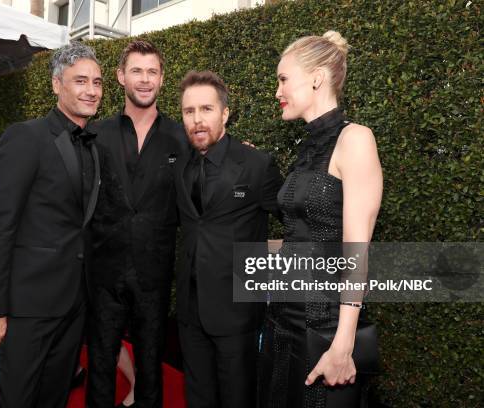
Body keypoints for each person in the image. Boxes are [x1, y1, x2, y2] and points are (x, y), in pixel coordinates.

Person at [0, 42, 103, 408]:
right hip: (27, 305)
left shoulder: (93, 145)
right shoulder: (25, 137)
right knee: (17, 398)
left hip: (74, 301)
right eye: (80, 80)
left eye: (97, 81)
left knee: (54, 396)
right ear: (56, 84)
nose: (91, 90)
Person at [258, 31, 383, 407]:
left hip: (325, 326)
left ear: (316, 77)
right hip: (283, 319)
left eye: (283, 79)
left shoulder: (356, 139)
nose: (276, 90)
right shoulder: (306, 150)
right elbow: (304, 235)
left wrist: (343, 345)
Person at [86, 39, 188, 408]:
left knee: (150, 370)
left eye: (152, 72)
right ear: (120, 77)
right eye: (136, 71)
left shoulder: (182, 137)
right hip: (102, 275)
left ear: (161, 79)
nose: (144, 80)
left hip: (155, 277)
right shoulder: (94, 135)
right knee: (99, 365)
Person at [174, 70, 283, 408]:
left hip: (237, 312)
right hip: (190, 312)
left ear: (225, 113)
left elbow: (294, 222)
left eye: (206, 109)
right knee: (198, 397)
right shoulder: (180, 166)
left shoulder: (257, 165)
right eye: (189, 112)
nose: (197, 120)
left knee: (238, 398)